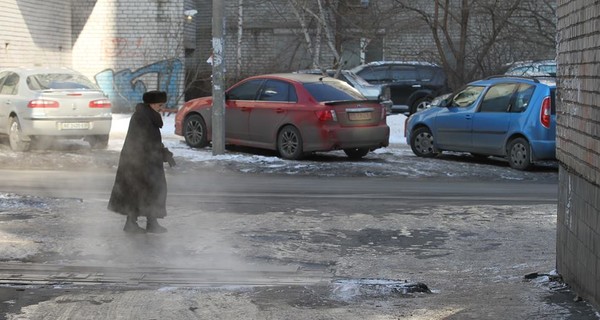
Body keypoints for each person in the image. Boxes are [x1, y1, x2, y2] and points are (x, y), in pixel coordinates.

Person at [108, 90, 175, 234]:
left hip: (149, 160)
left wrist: (164, 153)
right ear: (151, 104)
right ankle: (131, 223)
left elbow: (152, 141)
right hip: (137, 162)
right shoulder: (141, 117)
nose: (161, 107)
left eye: (162, 105)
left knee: (154, 190)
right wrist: (161, 153)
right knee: (136, 191)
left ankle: (152, 222)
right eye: (159, 104)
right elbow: (142, 141)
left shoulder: (150, 116)